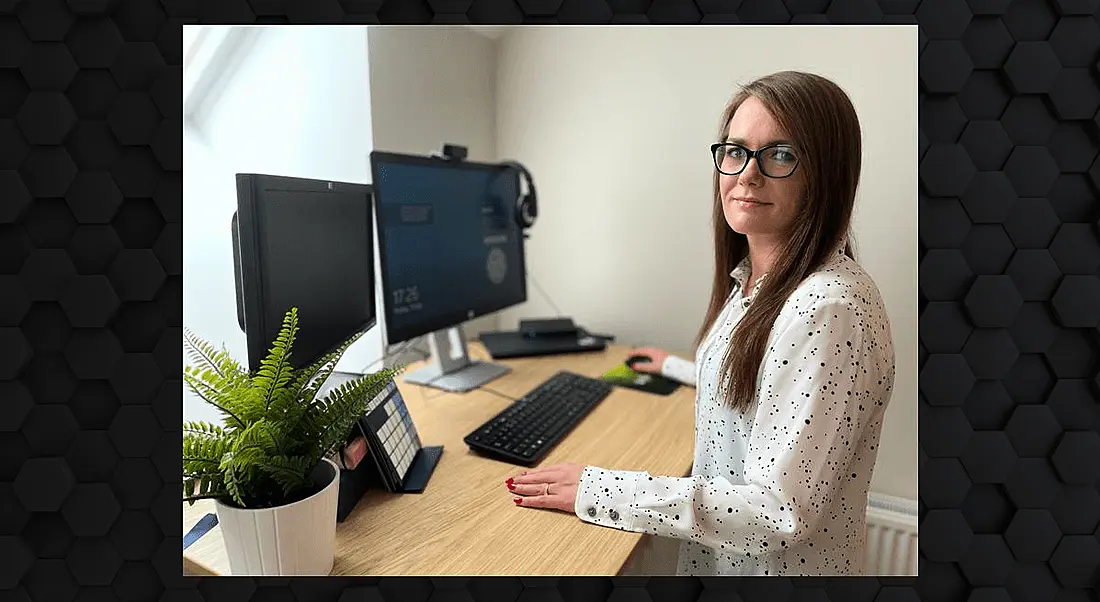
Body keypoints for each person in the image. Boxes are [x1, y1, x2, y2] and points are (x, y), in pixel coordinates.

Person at [503, 70, 896, 577]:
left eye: (779, 155)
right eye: (735, 151)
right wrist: (681, 367)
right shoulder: (756, 280)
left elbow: (777, 512)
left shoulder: (828, 310)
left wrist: (599, 489)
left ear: (827, 173)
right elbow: (769, 385)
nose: (747, 174)